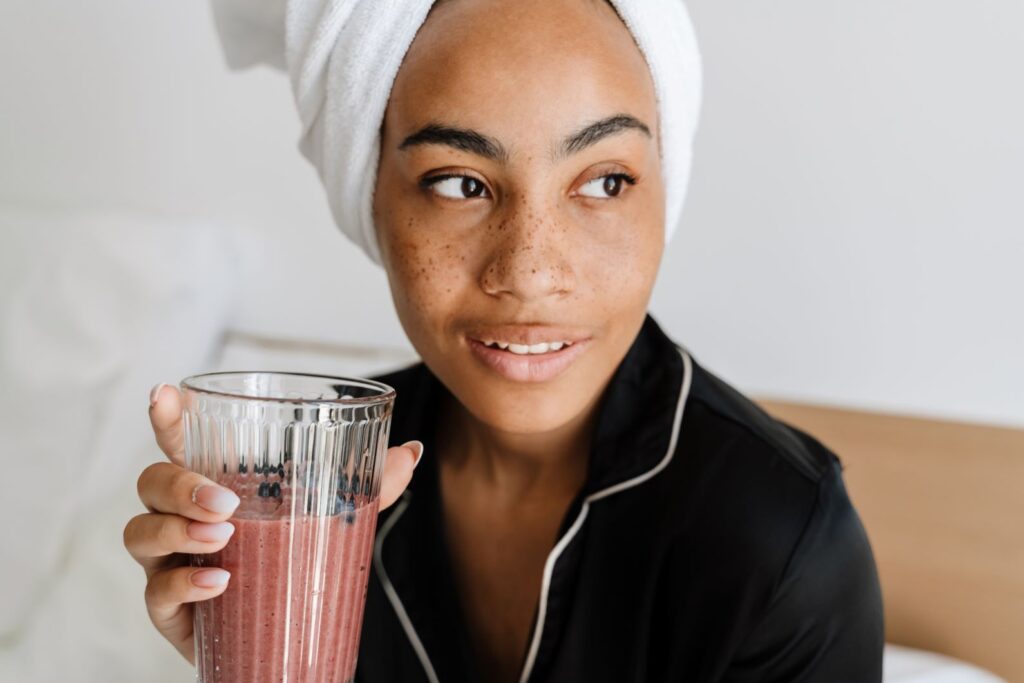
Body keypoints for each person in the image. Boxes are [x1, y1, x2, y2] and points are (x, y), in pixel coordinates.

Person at [123, 0, 884, 681]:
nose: (529, 273)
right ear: (371, 198)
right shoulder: (314, 493)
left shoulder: (781, 544)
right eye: (460, 182)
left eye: (605, 182)